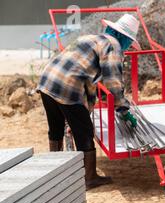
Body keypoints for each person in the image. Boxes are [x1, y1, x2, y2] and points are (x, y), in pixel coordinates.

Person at [38, 14, 140, 190]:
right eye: (129, 43)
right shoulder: (113, 45)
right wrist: (122, 108)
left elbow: (90, 85)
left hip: (48, 80)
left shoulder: (90, 38)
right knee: (84, 131)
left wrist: (87, 112)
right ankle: (90, 178)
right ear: (124, 38)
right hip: (68, 86)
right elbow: (113, 82)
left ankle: (53, 170)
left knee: (56, 126)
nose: (128, 46)